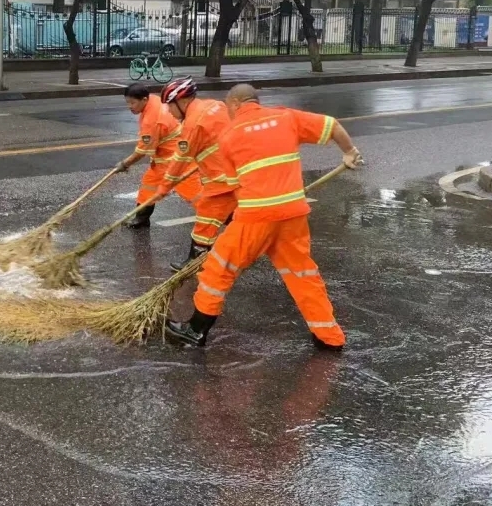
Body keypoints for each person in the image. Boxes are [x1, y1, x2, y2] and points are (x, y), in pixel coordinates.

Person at [164, 84, 363, 351]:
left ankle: (196, 330)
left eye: (227, 108)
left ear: (235, 104)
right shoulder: (286, 117)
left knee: (218, 269)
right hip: (293, 215)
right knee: (303, 274)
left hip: (255, 217)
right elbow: (332, 125)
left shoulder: (229, 136)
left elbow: (234, 186)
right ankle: (329, 336)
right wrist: (349, 152)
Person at [154, 77, 239, 270]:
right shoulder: (215, 105)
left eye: (170, 105)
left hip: (222, 181)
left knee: (205, 219)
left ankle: (196, 260)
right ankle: (253, 243)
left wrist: (163, 188)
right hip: (239, 172)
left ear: (183, 101)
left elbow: (180, 160)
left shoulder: (193, 124)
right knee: (238, 216)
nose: (169, 111)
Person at [114, 83, 202, 228]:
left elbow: (142, 151)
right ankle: (141, 219)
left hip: (178, 161)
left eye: (132, 103)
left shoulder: (152, 120)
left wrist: (124, 164)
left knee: (193, 193)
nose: (130, 106)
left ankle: (223, 216)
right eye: (127, 102)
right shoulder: (153, 100)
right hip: (163, 160)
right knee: (148, 186)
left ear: (144, 99)